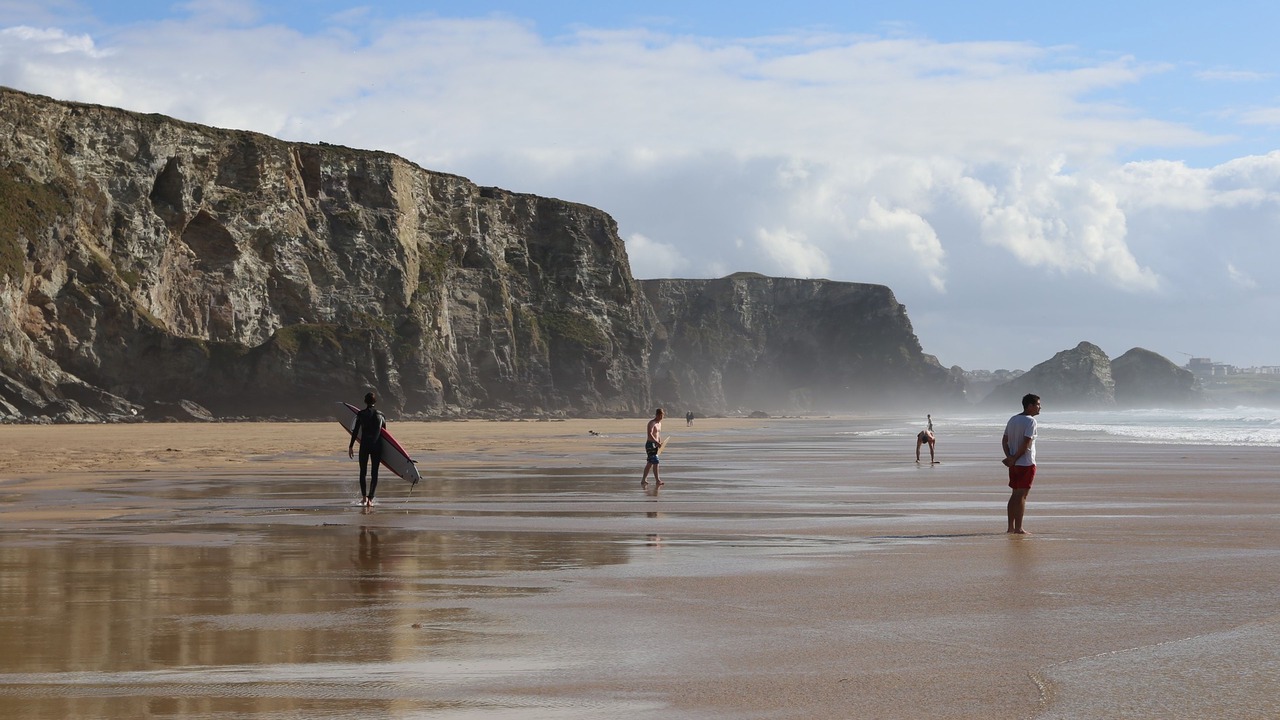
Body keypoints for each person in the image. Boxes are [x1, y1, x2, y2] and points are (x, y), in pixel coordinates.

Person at [1002, 394, 1041, 534]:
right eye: (1037, 404)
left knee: (1014, 494)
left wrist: (1010, 457)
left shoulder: (1013, 419)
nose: (1040, 407)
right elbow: (1026, 443)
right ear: (1030, 406)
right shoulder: (1030, 421)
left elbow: (1004, 440)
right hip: (1026, 463)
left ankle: (1010, 527)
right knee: (1022, 495)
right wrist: (1014, 458)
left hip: (1014, 464)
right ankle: (1018, 528)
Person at [348, 392, 387, 507]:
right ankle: (371, 499)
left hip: (365, 445)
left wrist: (351, 446)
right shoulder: (381, 415)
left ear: (365, 401)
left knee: (363, 472)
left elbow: (355, 431)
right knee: (374, 473)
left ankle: (364, 498)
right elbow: (385, 435)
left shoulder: (361, 414)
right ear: (375, 402)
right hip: (377, 446)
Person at [642, 408, 665, 487]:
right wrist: (656, 442)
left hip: (655, 444)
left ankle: (643, 479)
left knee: (650, 463)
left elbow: (658, 434)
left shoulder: (659, 424)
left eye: (663, 416)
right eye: (660, 416)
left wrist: (660, 443)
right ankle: (658, 480)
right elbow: (650, 434)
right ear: (657, 415)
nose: (662, 418)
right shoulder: (652, 423)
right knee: (656, 461)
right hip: (650, 444)